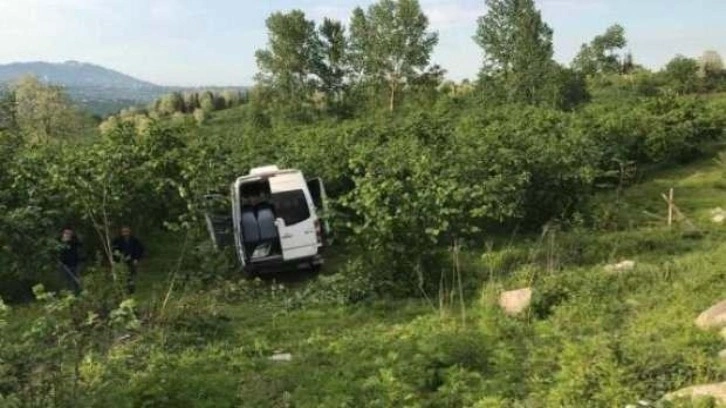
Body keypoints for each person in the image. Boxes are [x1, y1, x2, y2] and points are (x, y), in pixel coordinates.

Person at [111, 225, 145, 295]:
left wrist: (136, 258)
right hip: (120, 261)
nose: (125, 233)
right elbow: (114, 250)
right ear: (121, 232)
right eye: (123, 231)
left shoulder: (134, 240)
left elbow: (140, 250)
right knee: (121, 276)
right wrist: (115, 260)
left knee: (131, 275)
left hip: (131, 261)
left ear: (129, 232)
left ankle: (131, 290)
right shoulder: (117, 241)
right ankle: (121, 290)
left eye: (127, 231)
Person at [58, 226, 84, 295]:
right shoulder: (60, 243)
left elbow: (80, 246)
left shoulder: (75, 242)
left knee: (76, 280)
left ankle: (78, 294)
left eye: (69, 233)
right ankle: (68, 294)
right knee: (67, 282)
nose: (67, 235)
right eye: (66, 233)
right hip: (65, 265)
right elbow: (59, 253)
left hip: (75, 263)